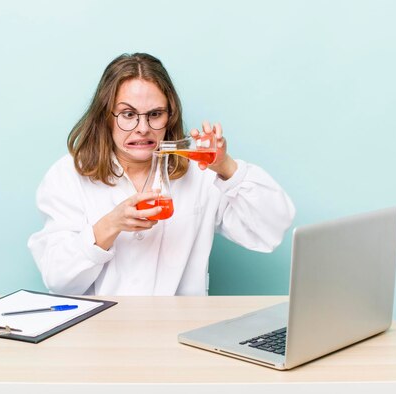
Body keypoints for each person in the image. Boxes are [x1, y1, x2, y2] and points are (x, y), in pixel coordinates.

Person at [28, 53, 295, 296]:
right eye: (128, 114)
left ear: (170, 116)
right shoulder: (68, 175)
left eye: (155, 114)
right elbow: (59, 279)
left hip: (178, 333)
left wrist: (226, 167)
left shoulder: (200, 175)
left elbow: (268, 232)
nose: (142, 128)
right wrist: (111, 224)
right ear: (105, 117)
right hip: (98, 334)